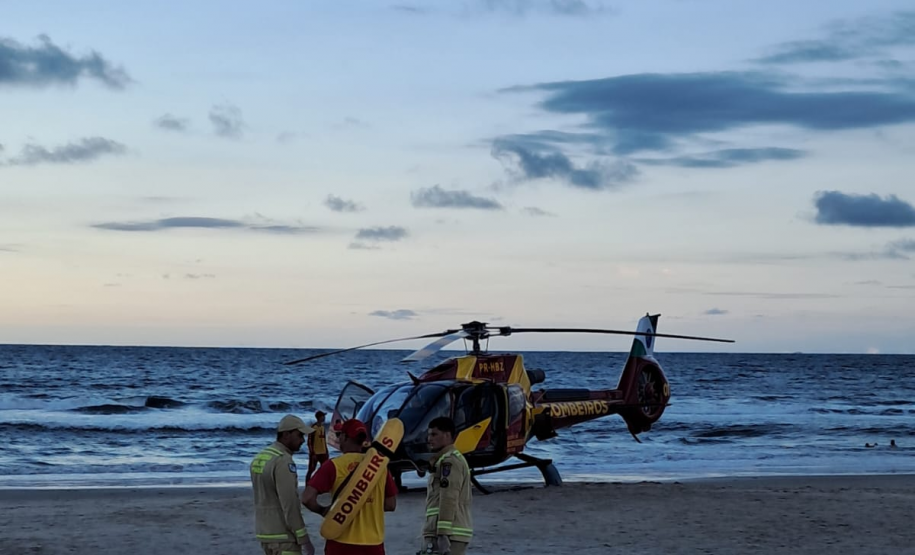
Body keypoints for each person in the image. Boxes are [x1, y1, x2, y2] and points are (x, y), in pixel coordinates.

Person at [301, 418, 397, 555]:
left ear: (345, 437)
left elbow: (307, 498)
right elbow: (390, 504)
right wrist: (366, 502)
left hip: (340, 543)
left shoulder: (333, 466)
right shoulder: (380, 468)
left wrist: (323, 511)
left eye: (340, 435)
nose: (338, 439)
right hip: (373, 544)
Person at [251, 414, 316, 555]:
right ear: (286, 434)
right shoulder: (283, 461)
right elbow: (290, 504)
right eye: (299, 435)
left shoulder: (261, 457)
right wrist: (304, 539)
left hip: (265, 532)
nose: (303, 441)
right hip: (283, 536)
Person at [422, 417, 473, 555]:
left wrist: (443, 534)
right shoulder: (445, 460)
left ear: (447, 435)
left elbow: (449, 498)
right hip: (445, 530)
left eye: (434, 434)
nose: (429, 439)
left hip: (449, 533)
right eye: (428, 435)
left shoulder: (449, 462)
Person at [307, 411, 329, 482]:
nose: (324, 418)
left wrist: (326, 450)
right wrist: (312, 453)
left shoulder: (322, 427)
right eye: (323, 416)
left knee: (324, 469)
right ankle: (307, 483)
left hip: (323, 452)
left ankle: (323, 483)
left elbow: (324, 440)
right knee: (311, 469)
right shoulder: (313, 428)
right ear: (319, 417)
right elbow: (309, 442)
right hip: (315, 452)